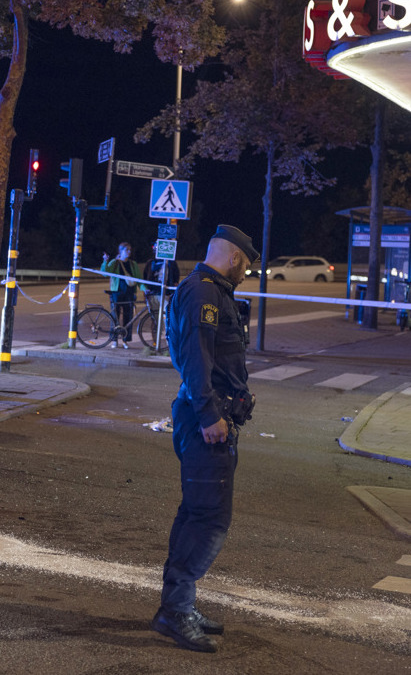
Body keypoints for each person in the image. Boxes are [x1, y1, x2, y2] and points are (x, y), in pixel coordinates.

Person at [153, 224, 259, 653]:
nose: (246, 274)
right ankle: (174, 612)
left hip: (208, 415)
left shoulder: (210, 290)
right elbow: (196, 358)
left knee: (197, 512)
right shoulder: (203, 293)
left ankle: (179, 604)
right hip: (205, 421)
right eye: (247, 267)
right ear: (234, 257)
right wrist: (209, 414)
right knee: (210, 520)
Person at [100, 242, 142, 348]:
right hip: (117, 293)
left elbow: (138, 279)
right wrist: (105, 261)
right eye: (126, 250)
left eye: (130, 250)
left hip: (129, 293)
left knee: (128, 317)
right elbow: (105, 273)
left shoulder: (133, 264)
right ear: (121, 251)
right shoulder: (115, 262)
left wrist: (145, 289)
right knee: (115, 317)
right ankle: (114, 340)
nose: (129, 252)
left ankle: (125, 340)